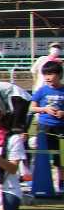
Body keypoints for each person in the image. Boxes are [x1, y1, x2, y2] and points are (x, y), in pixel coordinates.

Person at [29, 60, 64, 199]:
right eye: (45, 74)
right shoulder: (42, 91)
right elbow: (32, 107)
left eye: (51, 74)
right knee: (41, 154)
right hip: (44, 127)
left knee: (60, 158)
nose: (48, 77)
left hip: (61, 127)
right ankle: (37, 181)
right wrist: (45, 109)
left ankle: (61, 184)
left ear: (59, 74)